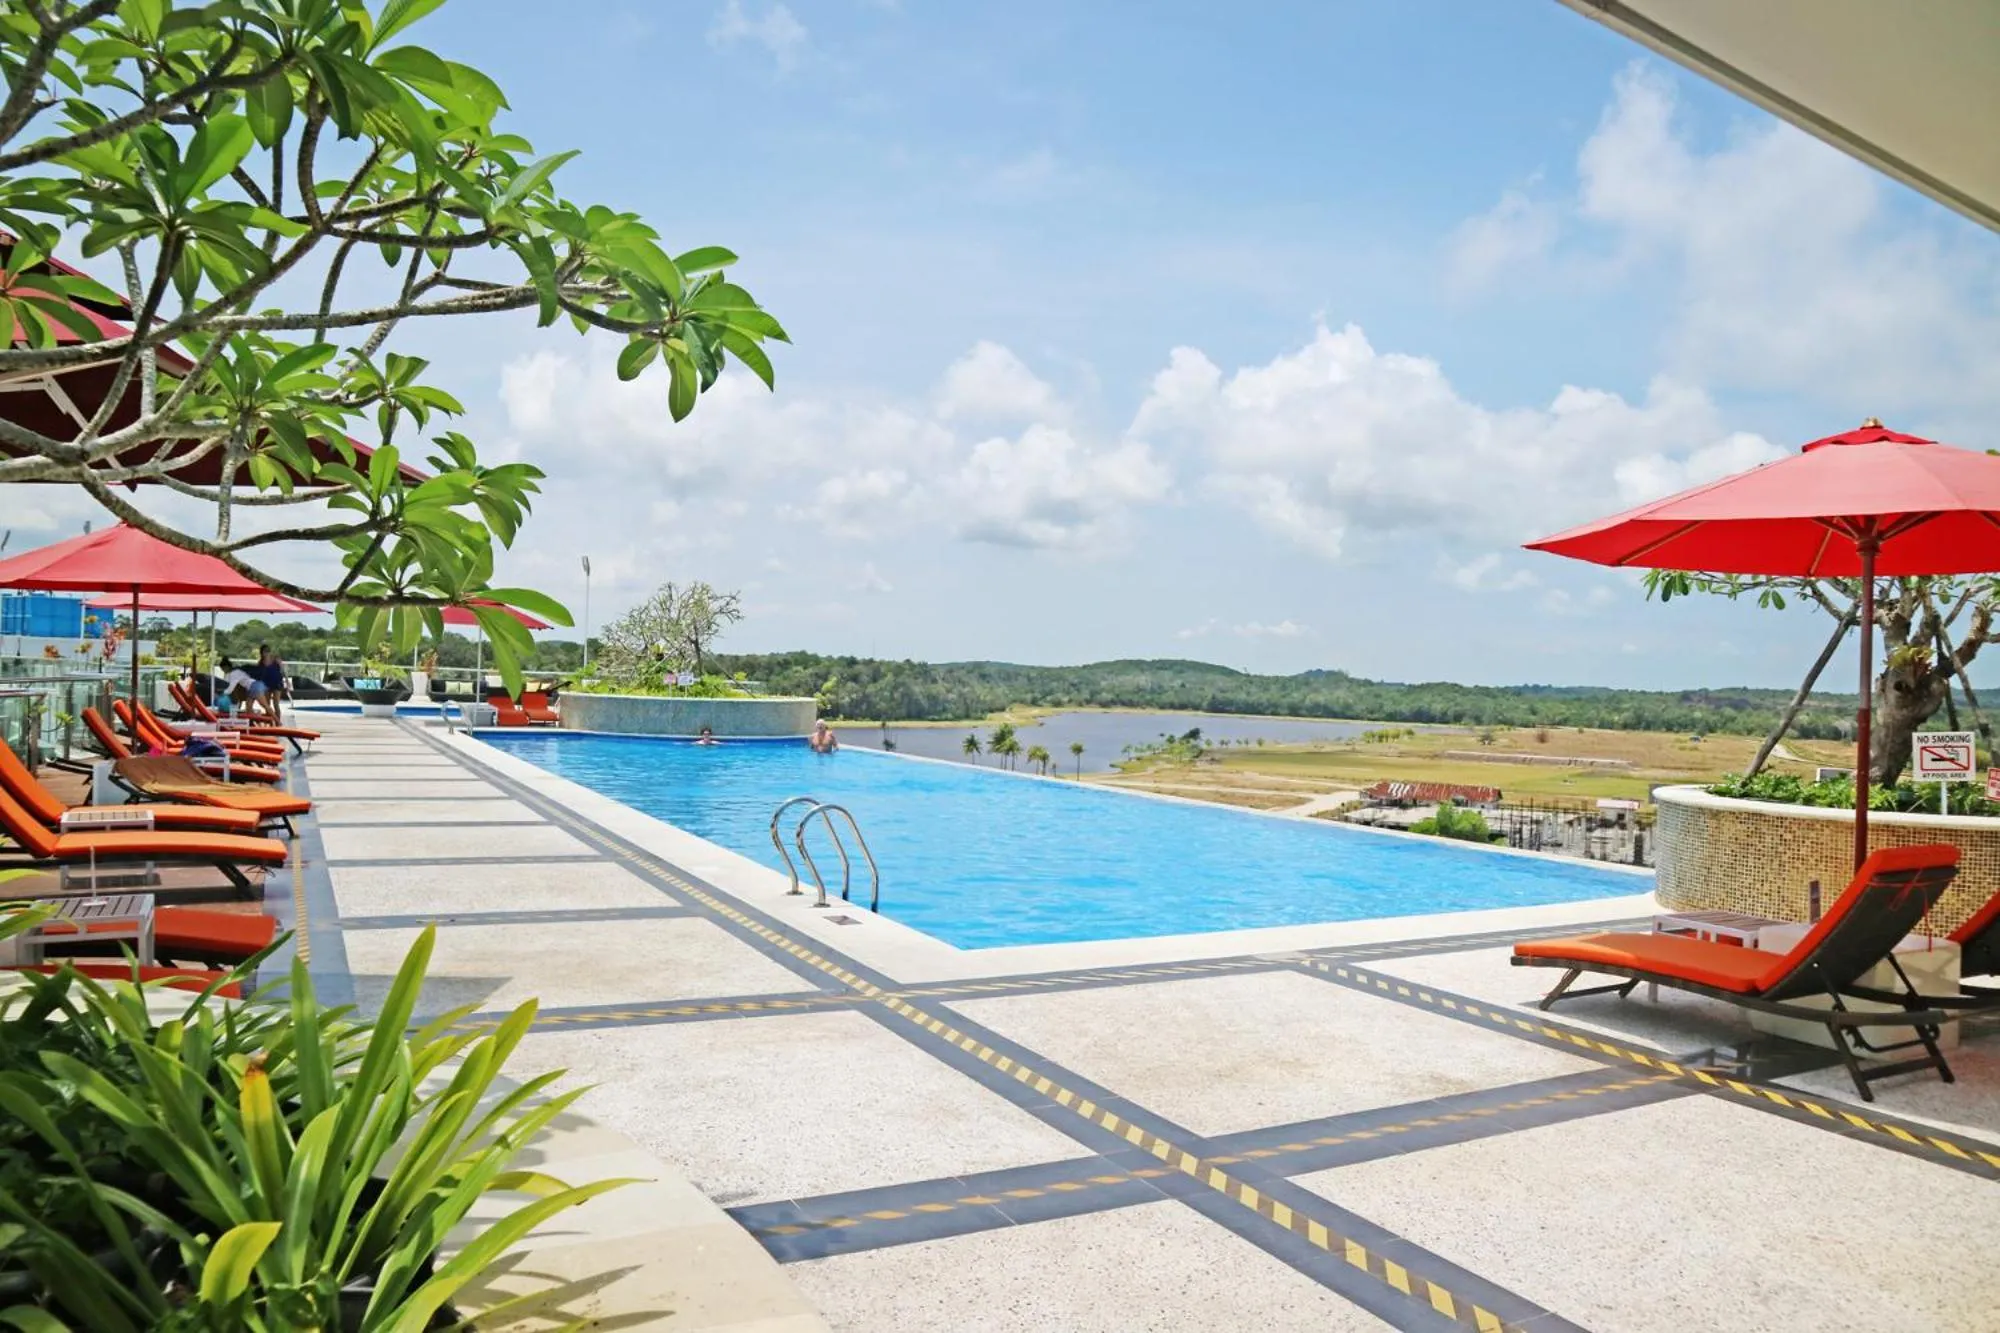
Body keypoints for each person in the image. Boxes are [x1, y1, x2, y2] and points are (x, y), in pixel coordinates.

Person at [254, 643, 288, 721]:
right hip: (266, 685)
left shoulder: (276, 659)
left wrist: (287, 682)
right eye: (265, 651)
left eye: (268, 651)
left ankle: (278, 721)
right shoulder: (260, 663)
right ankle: (269, 721)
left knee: (276, 704)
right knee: (267, 704)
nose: (267, 653)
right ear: (261, 653)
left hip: (277, 683)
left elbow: (283, 671)